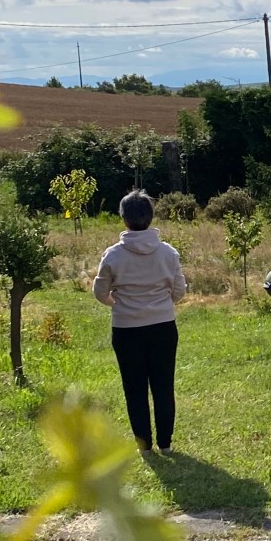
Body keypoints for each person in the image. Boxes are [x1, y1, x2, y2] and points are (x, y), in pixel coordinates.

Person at [92, 189, 187, 453]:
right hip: (163, 326)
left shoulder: (113, 256)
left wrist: (117, 303)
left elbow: (100, 292)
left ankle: (144, 446)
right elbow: (179, 291)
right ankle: (166, 444)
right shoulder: (168, 253)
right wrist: (162, 304)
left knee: (134, 388)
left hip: (126, 328)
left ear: (123, 219)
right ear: (151, 217)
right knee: (163, 386)